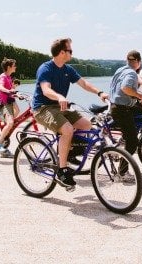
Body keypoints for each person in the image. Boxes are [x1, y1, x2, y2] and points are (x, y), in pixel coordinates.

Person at [31, 38, 108, 189]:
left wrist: (100, 92)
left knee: (86, 124)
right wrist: (59, 96)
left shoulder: (68, 69)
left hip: (60, 107)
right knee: (67, 129)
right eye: (70, 51)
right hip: (43, 108)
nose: (72, 53)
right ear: (61, 52)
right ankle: (62, 170)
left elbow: (83, 83)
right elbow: (46, 90)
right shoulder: (45, 68)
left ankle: (70, 151)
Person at [109, 51, 142, 162]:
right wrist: (139, 96)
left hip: (114, 106)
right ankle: (122, 172)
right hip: (122, 109)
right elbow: (125, 88)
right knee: (133, 143)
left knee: (140, 112)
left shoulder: (120, 70)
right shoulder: (131, 73)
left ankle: (125, 137)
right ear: (138, 61)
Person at [0, 58, 18, 157]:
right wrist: (9, 91)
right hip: (4, 103)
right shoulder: (3, 76)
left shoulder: (9, 77)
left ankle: (5, 132)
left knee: (17, 112)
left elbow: (10, 89)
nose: (15, 67)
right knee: (11, 123)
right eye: (14, 65)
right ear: (9, 67)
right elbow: (1, 87)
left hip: (10, 101)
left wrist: (17, 94)